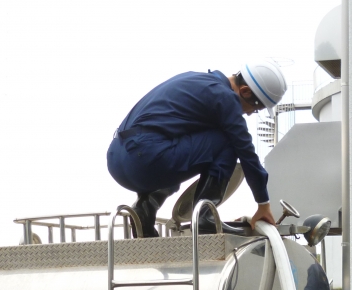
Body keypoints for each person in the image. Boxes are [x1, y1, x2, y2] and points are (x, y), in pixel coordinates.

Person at [106, 61, 287, 237]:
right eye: (255, 108)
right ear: (245, 91)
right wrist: (263, 203)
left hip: (117, 159)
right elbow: (246, 151)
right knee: (228, 140)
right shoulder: (224, 97)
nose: (248, 114)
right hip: (145, 158)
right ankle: (204, 218)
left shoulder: (196, 80)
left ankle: (146, 208)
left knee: (184, 149)